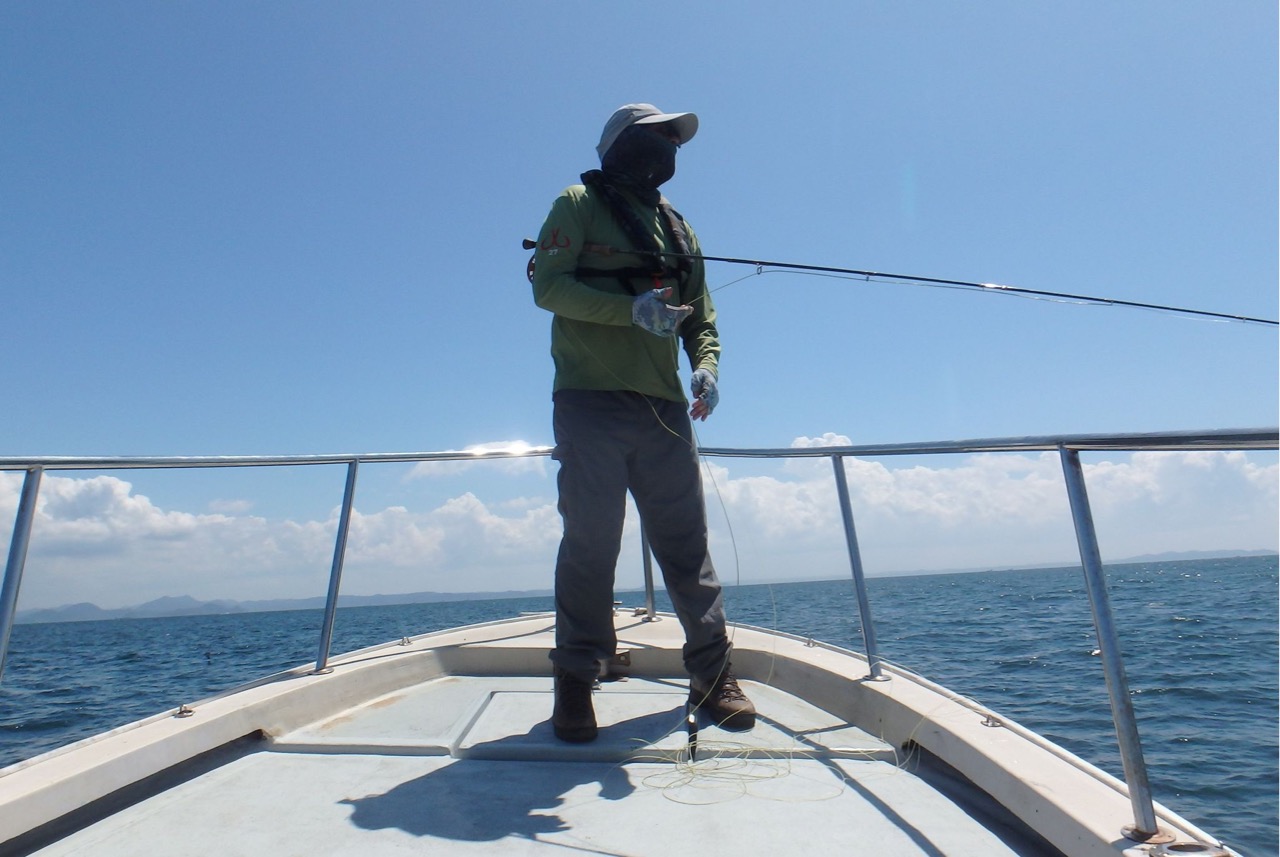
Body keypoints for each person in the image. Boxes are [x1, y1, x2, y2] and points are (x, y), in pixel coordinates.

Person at [530, 103, 756, 743]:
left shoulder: (681, 229)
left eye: (673, 140)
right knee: (590, 545)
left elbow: (701, 317)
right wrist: (629, 310)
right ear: (620, 144)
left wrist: (705, 367)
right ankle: (576, 682)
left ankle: (713, 675)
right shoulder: (576, 204)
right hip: (588, 402)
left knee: (686, 547)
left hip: (664, 410)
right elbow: (549, 287)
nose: (667, 148)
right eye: (656, 137)